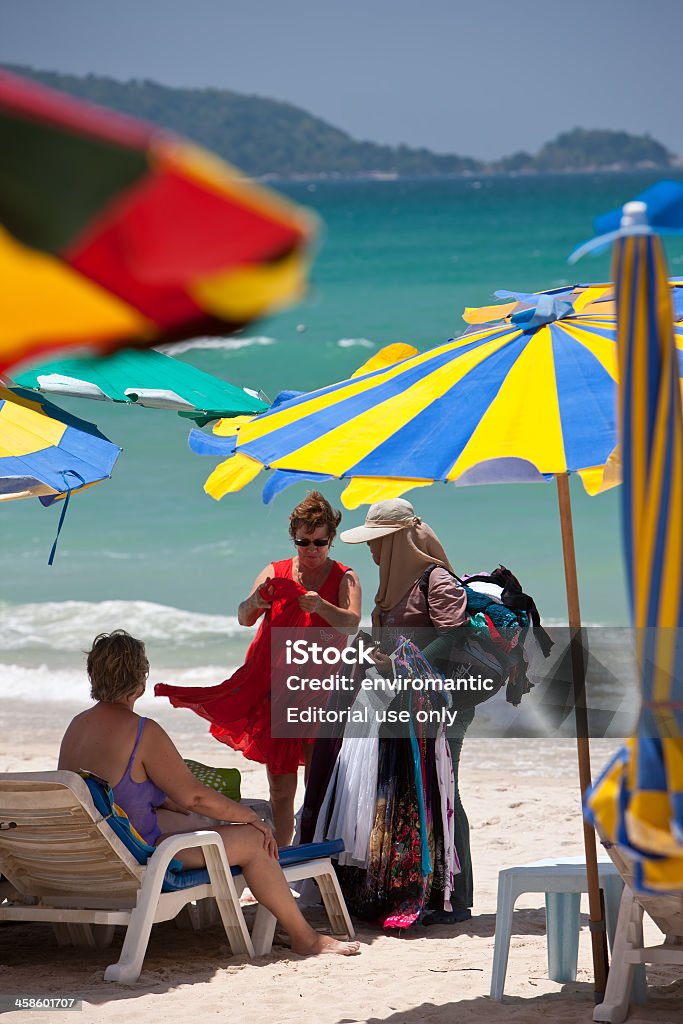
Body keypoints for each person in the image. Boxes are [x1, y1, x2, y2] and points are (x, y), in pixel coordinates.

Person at [58, 630, 360, 958]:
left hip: (95, 853)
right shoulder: (142, 731)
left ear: (94, 676)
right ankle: (305, 938)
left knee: (182, 817)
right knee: (255, 840)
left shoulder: (76, 728)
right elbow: (195, 797)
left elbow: (109, 794)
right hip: (140, 855)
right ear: (140, 680)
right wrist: (250, 818)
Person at [156, 492, 361, 846]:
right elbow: (243, 617)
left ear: (331, 538)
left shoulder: (346, 577)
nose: (311, 549)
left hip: (322, 692)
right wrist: (256, 601)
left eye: (319, 542)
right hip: (277, 692)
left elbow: (351, 624)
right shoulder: (275, 571)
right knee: (280, 788)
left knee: (318, 785)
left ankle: (313, 853)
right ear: (293, 537)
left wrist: (322, 606)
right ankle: (280, 856)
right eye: (303, 541)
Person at [340, 497, 474, 925]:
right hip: (401, 703)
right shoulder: (391, 586)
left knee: (442, 791)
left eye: (377, 541)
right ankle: (412, 886)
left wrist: (400, 662)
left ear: (398, 541)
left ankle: (455, 895)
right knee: (409, 793)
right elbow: (398, 645)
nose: (371, 550)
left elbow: (453, 639)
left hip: (442, 706)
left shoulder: (437, 582)